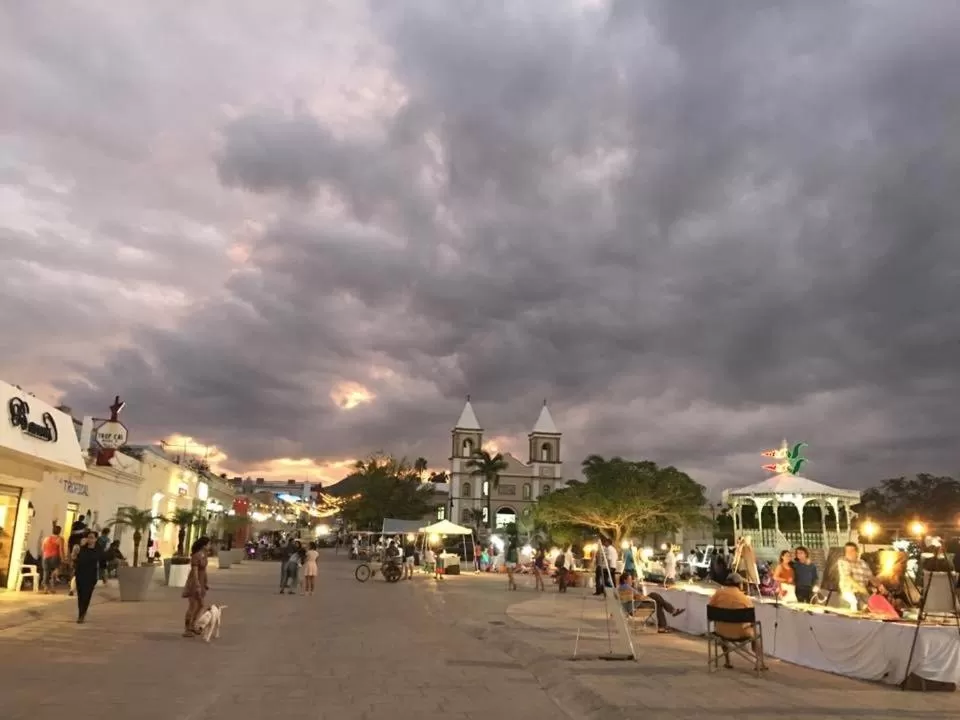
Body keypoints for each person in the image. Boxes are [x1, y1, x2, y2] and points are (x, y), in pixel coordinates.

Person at [707, 572, 766, 670]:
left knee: (722, 624)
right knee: (756, 630)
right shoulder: (744, 598)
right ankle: (759, 663)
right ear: (739, 584)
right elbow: (751, 618)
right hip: (741, 633)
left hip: (721, 632)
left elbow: (711, 609)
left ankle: (727, 661)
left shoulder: (718, 593)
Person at [618, 572, 685, 632]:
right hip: (636, 607)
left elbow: (636, 596)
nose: (631, 581)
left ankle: (664, 623)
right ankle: (671, 613)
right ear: (625, 580)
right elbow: (638, 596)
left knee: (658, 601)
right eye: (630, 580)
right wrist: (646, 597)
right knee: (654, 596)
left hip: (633, 607)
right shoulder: (626, 587)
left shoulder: (620, 587)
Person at [837, 542, 883, 611]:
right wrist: (861, 588)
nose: (849, 553)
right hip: (849, 591)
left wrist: (880, 586)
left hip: (862, 593)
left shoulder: (863, 563)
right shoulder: (843, 561)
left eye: (851, 551)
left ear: (857, 552)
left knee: (873, 607)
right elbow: (848, 577)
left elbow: (871, 577)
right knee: (854, 603)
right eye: (847, 552)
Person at [182, 537, 210, 637]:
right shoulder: (196, 556)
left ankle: (192, 625)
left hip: (201, 582)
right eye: (208, 544)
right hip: (194, 582)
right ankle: (187, 628)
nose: (209, 546)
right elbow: (194, 571)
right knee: (193, 605)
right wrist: (197, 584)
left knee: (201, 605)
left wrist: (205, 582)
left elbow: (204, 570)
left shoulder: (204, 555)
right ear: (204, 545)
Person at [74, 531, 100, 623]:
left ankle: (82, 613)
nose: (90, 539)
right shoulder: (81, 549)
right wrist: (75, 554)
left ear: (96, 539)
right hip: (80, 575)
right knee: (80, 596)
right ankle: (80, 614)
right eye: (89, 537)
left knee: (86, 596)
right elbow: (75, 560)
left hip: (91, 577)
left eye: (92, 537)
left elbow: (102, 561)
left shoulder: (98, 550)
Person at [41, 525, 65, 593]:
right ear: (59, 531)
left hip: (45, 557)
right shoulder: (60, 539)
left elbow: (43, 548)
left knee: (46, 572)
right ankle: (52, 588)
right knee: (55, 571)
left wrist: (45, 555)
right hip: (55, 557)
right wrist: (63, 559)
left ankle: (45, 587)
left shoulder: (46, 538)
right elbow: (61, 549)